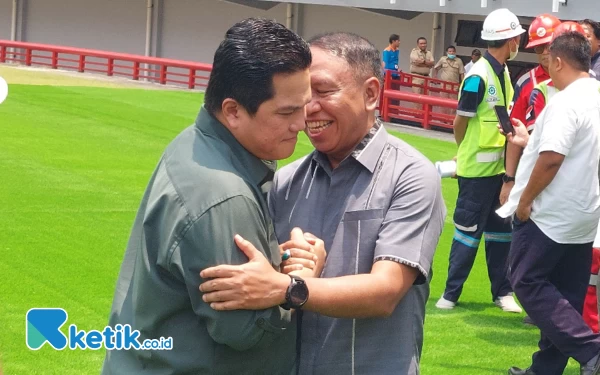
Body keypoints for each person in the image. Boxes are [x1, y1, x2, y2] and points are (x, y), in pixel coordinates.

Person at [200, 32, 447, 375]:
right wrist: (289, 263)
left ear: (371, 93)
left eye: (324, 91)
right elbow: (256, 280)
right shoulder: (286, 180)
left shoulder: (411, 176)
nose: (308, 108)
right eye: (303, 95)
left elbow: (386, 290)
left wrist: (290, 287)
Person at [101, 18, 314, 375]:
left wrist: (280, 261)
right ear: (233, 111)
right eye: (287, 112)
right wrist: (298, 283)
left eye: (304, 106)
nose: (302, 123)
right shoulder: (225, 195)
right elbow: (244, 330)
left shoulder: (194, 143)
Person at [496, 31, 600, 375]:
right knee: (566, 295)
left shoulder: (565, 101)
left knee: (526, 281)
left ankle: (591, 351)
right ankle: (545, 369)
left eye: (547, 60)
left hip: (550, 212)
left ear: (557, 61)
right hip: (584, 213)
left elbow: (552, 157)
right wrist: (529, 139)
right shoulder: (596, 95)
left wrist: (524, 200)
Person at [435, 8, 525, 313]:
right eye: (517, 39)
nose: (519, 44)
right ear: (509, 40)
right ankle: (451, 294)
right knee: (466, 233)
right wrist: (464, 152)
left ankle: (502, 293)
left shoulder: (502, 73)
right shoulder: (477, 76)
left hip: (501, 171)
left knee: (502, 235)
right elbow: (460, 123)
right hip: (475, 172)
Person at [434, 45, 465, 114]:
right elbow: (436, 68)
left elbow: (462, 73)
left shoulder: (459, 61)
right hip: (444, 84)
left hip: (454, 85)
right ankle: (443, 118)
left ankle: (450, 118)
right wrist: (435, 77)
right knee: (443, 101)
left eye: (453, 51)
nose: (451, 53)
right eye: (450, 51)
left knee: (453, 102)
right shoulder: (443, 59)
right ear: (447, 52)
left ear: (455, 52)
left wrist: (463, 84)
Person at [410, 36, 435, 107]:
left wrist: (423, 62)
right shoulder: (414, 52)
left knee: (426, 98)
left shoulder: (429, 53)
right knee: (417, 97)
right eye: (421, 43)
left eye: (424, 43)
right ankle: (416, 115)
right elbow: (417, 61)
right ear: (418, 44)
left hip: (427, 77)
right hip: (417, 77)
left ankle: (424, 116)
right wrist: (427, 62)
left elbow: (432, 63)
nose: (423, 45)